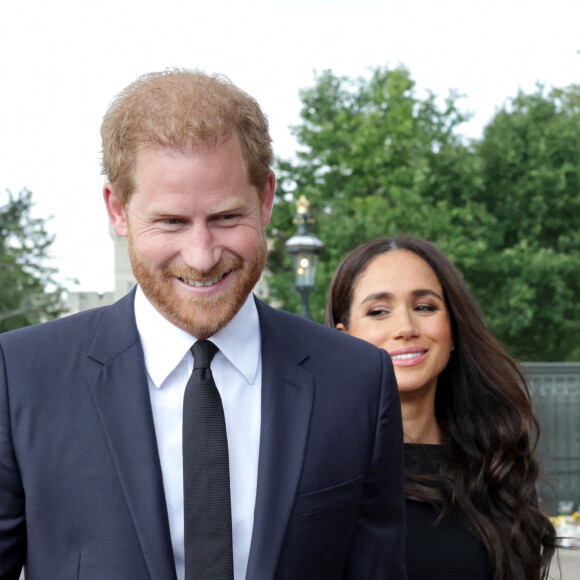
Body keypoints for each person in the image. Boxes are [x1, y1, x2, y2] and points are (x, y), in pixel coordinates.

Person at [0, 70, 406, 580]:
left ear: (266, 200)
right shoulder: (22, 377)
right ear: (117, 210)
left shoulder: (358, 381)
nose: (202, 255)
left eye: (226, 217)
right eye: (171, 221)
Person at [325, 234, 557, 580]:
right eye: (378, 311)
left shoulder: (498, 461)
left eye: (425, 307)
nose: (405, 327)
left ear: (452, 330)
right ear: (344, 337)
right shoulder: (324, 471)